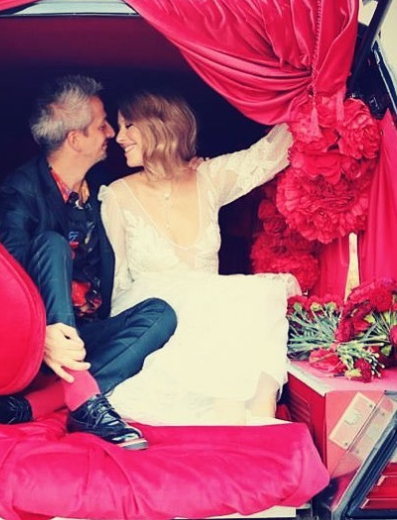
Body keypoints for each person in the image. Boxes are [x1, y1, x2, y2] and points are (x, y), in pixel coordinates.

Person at [0, 75, 177, 450]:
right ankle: (85, 400)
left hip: (87, 339)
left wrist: (191, 169)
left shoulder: (105, 184)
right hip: (38, 342)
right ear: (75, 139)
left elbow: (161, 182)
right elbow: (4, 279)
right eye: (102, 125)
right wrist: (42, 337)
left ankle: (40, 406)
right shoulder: (19, 190)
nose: (111, 133)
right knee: (52, 244)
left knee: (161, 314)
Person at [99, 90, 300, 426]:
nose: (119, 138)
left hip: (213, 325)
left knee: (261, 292)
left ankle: (257, 419)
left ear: (160, 126)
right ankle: (234, 417)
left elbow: (270, 154)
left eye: (128, 125)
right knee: (232, 296)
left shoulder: (209, 178)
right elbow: (117, 285)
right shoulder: (117, 195)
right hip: (161, 326)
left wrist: (311, 98)